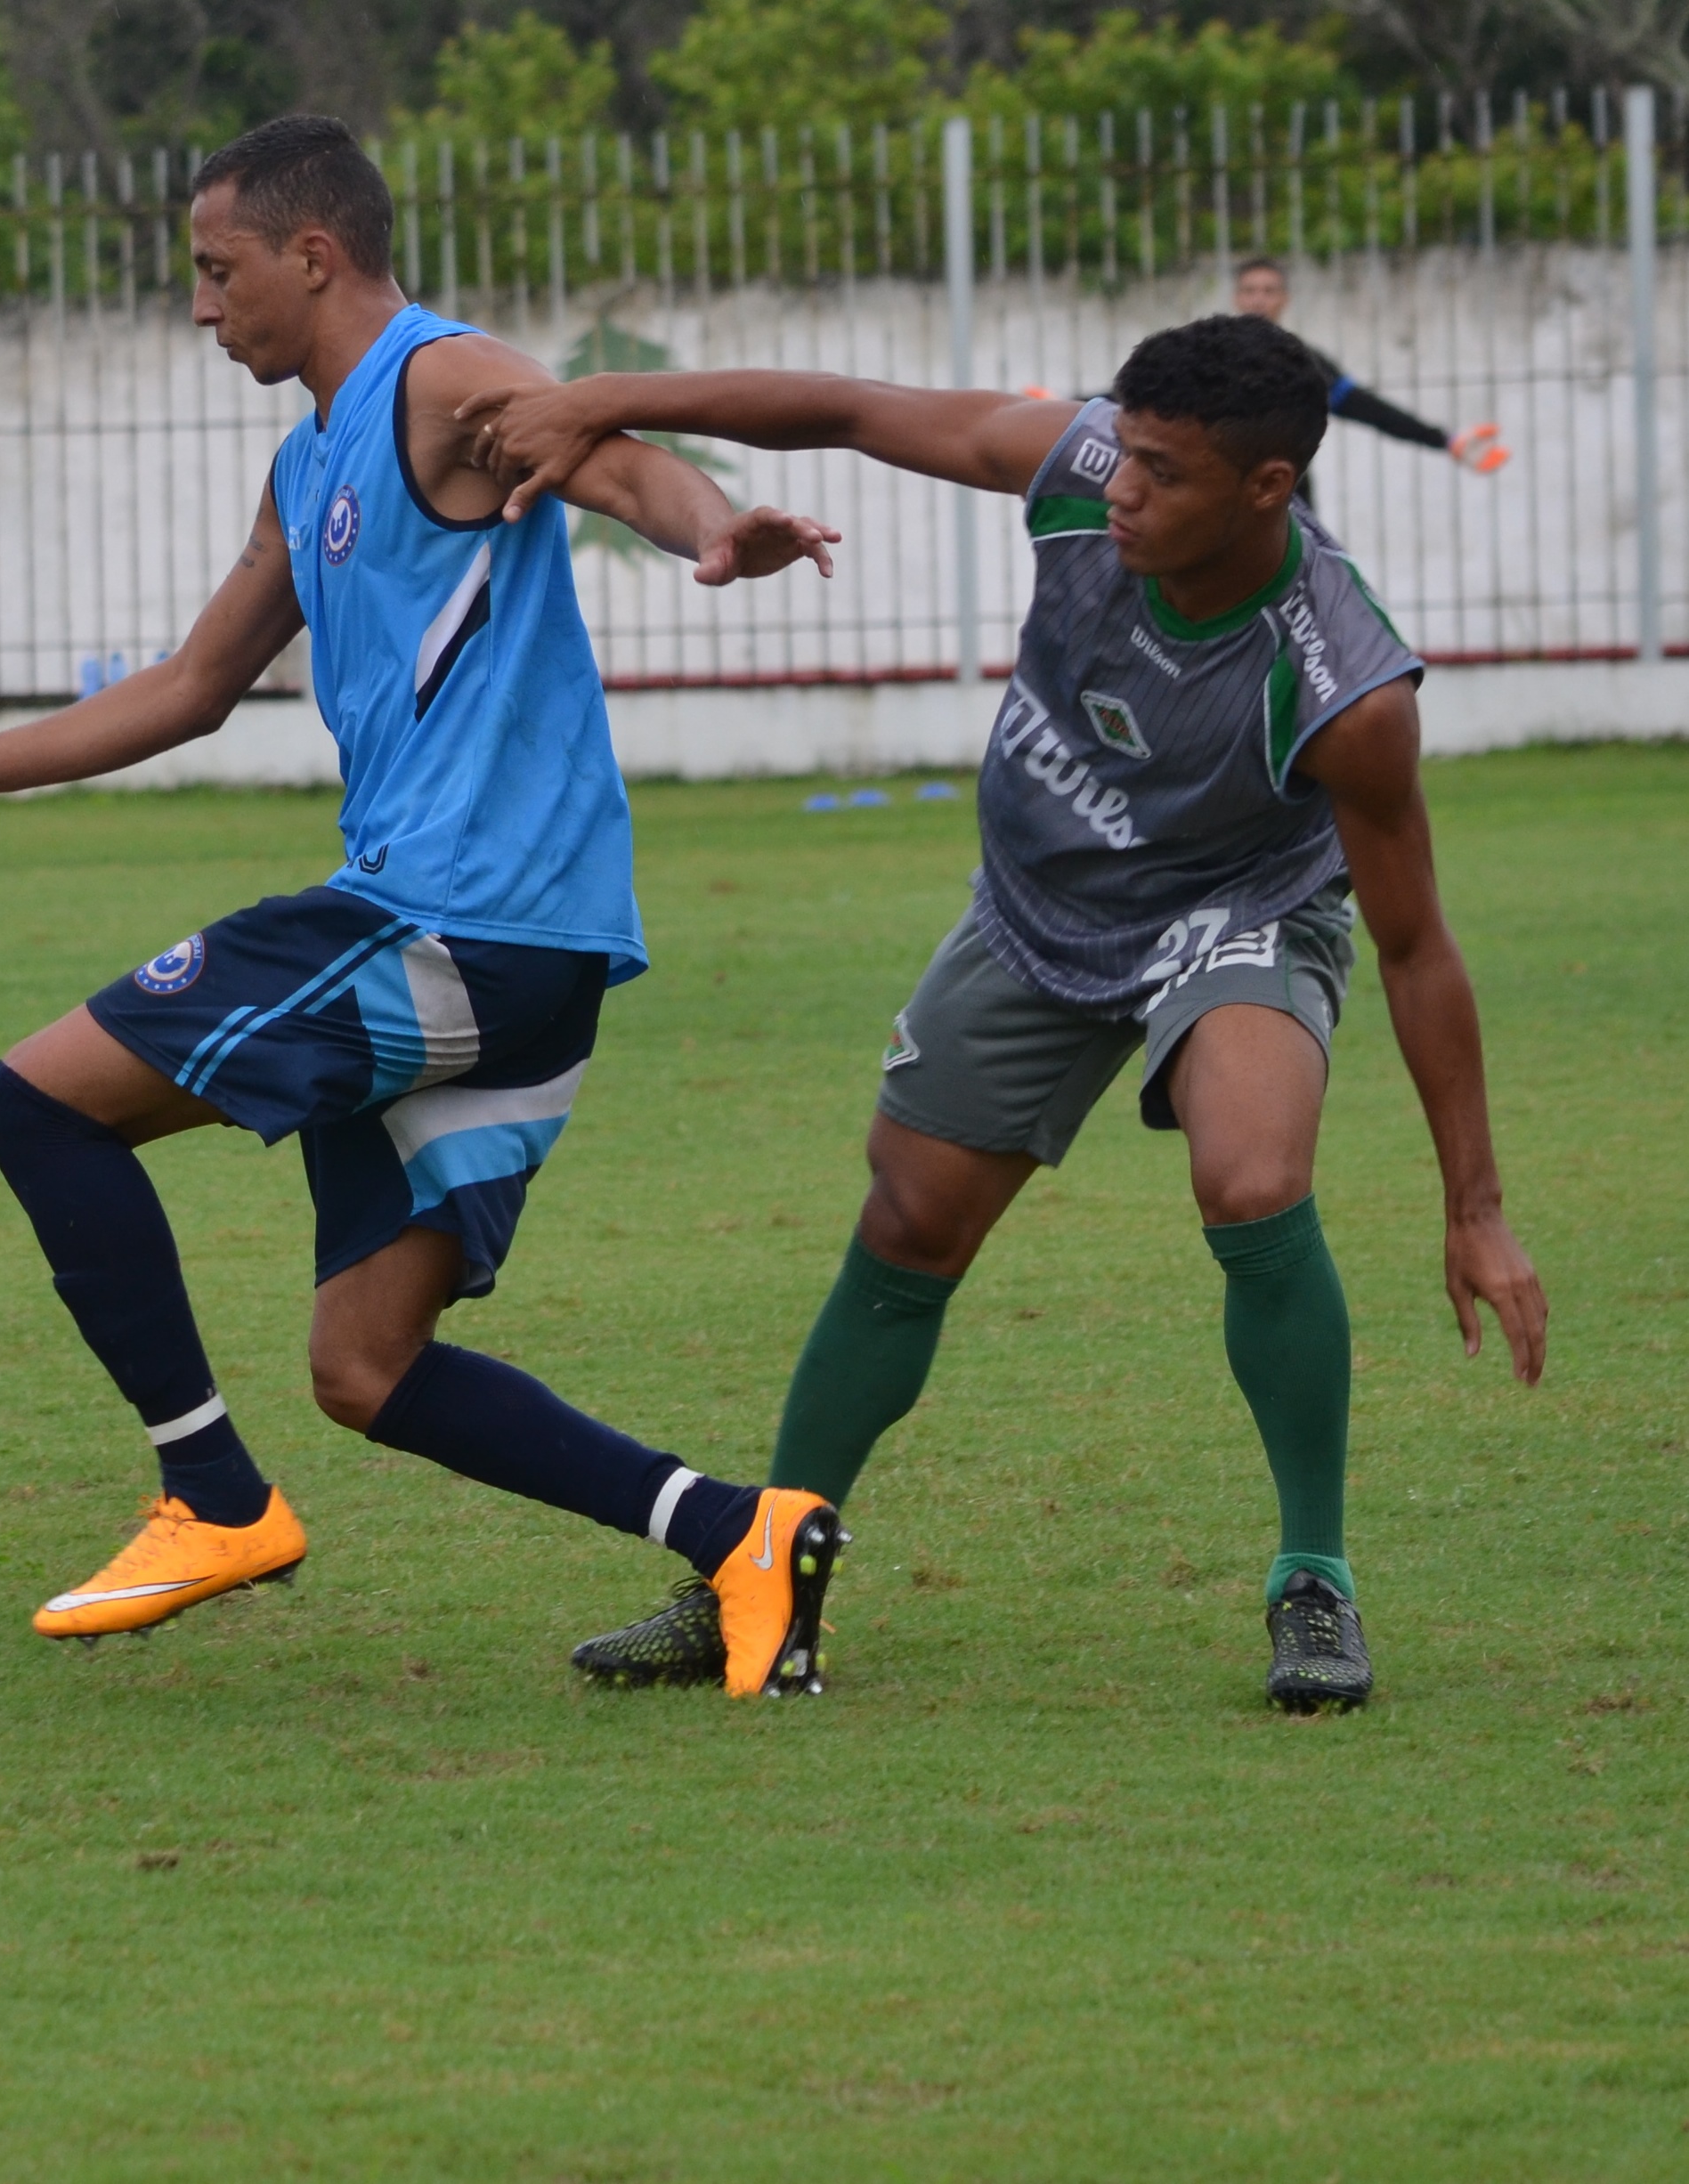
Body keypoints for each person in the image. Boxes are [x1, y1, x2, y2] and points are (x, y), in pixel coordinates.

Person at [0, 115, 850, 1696]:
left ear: (313, 255)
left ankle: (209, 1495)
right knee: (366, 1368)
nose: (204, 309)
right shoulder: (310, 456)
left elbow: (605, 451)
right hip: (516, 951)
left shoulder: (437, 380)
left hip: (454, 920)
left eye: (218, 273)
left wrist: (712, 530)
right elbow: (198, 685)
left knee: (36, 1104)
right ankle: (744, 1535)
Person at [462, 314, 1549, 1711]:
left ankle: (1312, 1580)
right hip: (1037, 907)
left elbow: (1417, 948)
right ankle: (762, 1570)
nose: (1121, 490)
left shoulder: (1341, 685)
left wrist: (1474, 1202)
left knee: (1252, 1174)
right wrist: (598, 399)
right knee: (907, 1221)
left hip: (1233, 914)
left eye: (1161, 472)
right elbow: (849, 404)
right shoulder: (1080, 462)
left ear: (1266, 487)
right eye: (1123, 454)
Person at [1230, 256, 1507, 504]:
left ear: (1285, 298)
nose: (1259, 300)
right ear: (1237, 297)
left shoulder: (1304, 363)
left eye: (1269, 291)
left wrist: (1446, 440)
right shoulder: (1211, 358)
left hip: (1288, 502)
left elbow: (1367, 408)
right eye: (1250, 290)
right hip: (1224, 498)